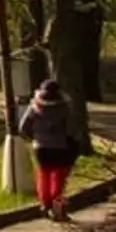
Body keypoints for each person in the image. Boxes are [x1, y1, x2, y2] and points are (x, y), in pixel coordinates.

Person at [16, 71, 85, 217]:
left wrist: (33, 138)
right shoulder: (64, 108)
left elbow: (23, 127)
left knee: (43, 174)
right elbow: (71, 129)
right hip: (60, 147)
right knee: (58, 176)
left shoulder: (34, 107)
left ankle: (44, 203)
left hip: (40, 147)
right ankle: (57, 204)